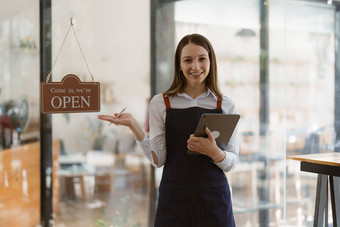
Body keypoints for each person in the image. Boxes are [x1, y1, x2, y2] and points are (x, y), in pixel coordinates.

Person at [98, 33, 238, 227]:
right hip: (175, 198)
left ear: (210, 61)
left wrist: (215, 153)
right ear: (179, 65)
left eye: (201, 59)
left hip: (215, 198)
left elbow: (232, 162)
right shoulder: (161, 103)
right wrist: (135, 127)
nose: (195, 66)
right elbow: (158, 159)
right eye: (188, 60)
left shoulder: (225, 105)